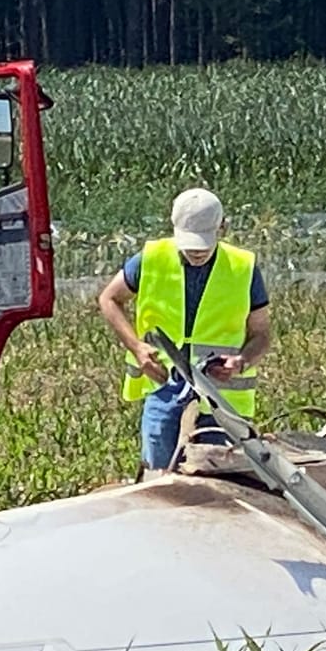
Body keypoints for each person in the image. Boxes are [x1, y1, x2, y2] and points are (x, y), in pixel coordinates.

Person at [99, 187, 273, 473]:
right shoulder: (151, 258)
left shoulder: (243, 267)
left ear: (222, 228)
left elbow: (262, 334)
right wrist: (137, 347)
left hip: (221, 396)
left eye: (203, 245)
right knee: (159, 474)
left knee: (217, 480)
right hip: (165, 386)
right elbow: (109, 299)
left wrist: (241, 361)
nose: (196, 253)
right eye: (190, 245)